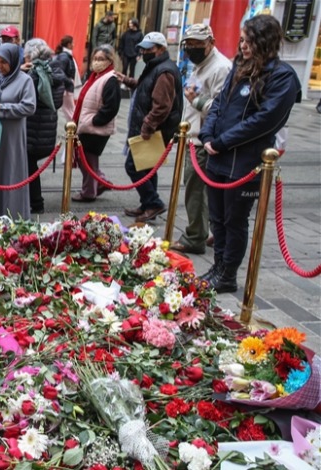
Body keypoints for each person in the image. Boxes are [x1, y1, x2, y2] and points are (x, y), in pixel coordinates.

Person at [198, 15, 300, 293]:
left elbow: (265, 120)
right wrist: (207, 134)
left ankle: (228, 273)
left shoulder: (282, 76)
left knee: (234, 220)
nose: (242, 45)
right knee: (217, 219)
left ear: (263, 42)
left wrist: (222, 142)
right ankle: (218, 265)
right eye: (242, 40)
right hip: (218, 158)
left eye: (248, 40)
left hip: (244, 163)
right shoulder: (240, 66)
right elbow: (219, 103)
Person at [168, 24, 231, 256]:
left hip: (203, 141)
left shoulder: (221, 68)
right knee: (204, 191)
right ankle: (213, 230)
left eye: (197, 44)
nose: (192, 48)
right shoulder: (200, 65)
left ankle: (195, 236)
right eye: (189, 44)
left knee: (196, 190)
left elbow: (222, 110)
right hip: (195, 137)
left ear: (211, 43)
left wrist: (196, 101)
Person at [116, 32, 182, 223]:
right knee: (147, 167)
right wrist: (127, 80)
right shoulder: (157, 67)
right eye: (143, 49)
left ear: (161, 49)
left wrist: (147, 126)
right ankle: (147, 204)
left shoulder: (164, 71)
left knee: (133, 166)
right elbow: (146, 86)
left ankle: (153, 203)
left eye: (148, 49)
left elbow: (162, 105)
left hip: (155, 130)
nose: (144, 52)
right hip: (154, 129)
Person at [0, 43, 36, 220]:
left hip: (10, 139)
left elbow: (29, 106)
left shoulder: (25, 80)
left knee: (9, 174)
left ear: (14, 61)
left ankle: (12, 218)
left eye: (4, 62)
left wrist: (2, 108)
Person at [71, 45, 121, 202]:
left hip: (94, 127)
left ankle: (89, 192)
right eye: (95, 58)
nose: (97, 62)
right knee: (84, 159)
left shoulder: (110, 79)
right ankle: (100, 183)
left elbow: (111, 106)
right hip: (86, 125)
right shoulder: (95, 76)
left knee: (87, 161)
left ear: (109, 61)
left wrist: (95, 120)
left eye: (101, 59)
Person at [23, 38, 65, 214]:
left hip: (34, 127)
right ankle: (34, 201)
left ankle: (35, 203)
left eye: (25, 55)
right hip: (47, 126)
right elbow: (58, 101)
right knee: (30, 166)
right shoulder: (55, 72)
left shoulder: (35, 73)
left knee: (29, 165)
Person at [54, 35, 80, 121]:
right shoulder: (65, 56)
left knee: (69, 110)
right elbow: (60, 71)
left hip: (66, 87)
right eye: (73, 43)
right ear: (69, 44)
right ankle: (73, 129)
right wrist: (69, 81)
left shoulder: (66, 56)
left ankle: (73, 129)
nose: (74, 44)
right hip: (66, 88)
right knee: (70, 110)